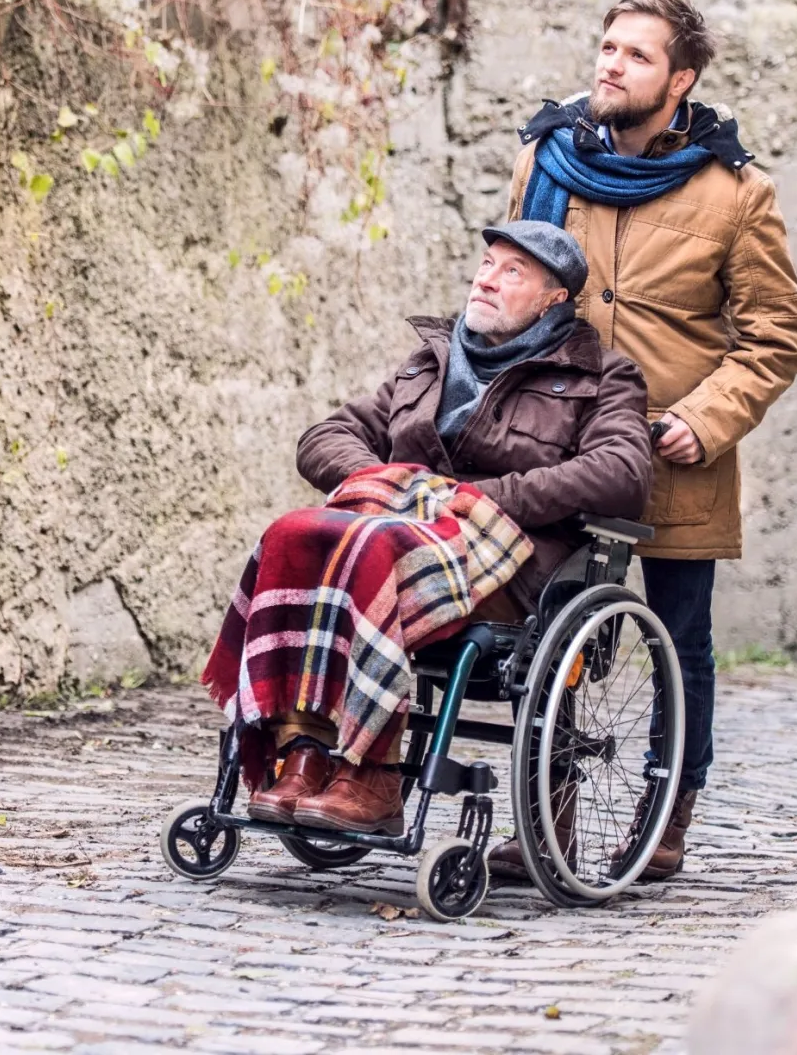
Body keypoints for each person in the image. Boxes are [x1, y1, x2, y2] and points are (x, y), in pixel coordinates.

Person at [493, 0, 797, 882]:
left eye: (637, 55)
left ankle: (669, 810)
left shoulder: (736, 194)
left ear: (680, 81)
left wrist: (704, 421)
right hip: (562, 445)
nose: (612, 65)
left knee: (680, 638)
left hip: (674, 453)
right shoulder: (547, 160)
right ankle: (547, 818)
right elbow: (512, 285)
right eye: (608, 47)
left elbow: (775, 336)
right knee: (545, 629)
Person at [219, 222, 652, 837]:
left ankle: (371, 773)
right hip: (404, 536)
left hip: (511, 563)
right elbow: (325, 437)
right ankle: (305, 750)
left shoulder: (601, 376)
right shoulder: (432, 361)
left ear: (554, 298)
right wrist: (394, 486)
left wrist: (484, 499)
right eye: (486, 264)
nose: (487, 279)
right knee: (295, 534)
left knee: (374, 546)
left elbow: (622, 472)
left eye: (512, 271)